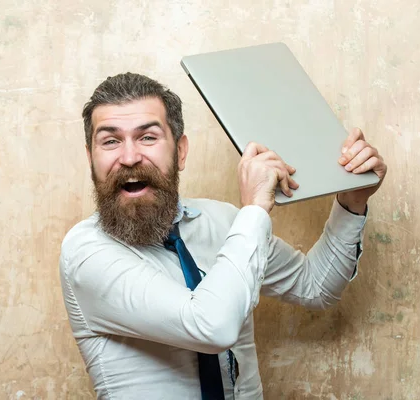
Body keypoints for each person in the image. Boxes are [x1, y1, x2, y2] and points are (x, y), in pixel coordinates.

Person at [59, 72, 387, 399]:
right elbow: (211, 327)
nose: (129, 157)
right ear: (90, 158)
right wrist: (256, 209)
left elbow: (315, 287)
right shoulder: (86, 252)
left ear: (181, 151)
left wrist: (352, 202)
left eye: (148, 137)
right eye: (110, 141)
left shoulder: (227, 222)